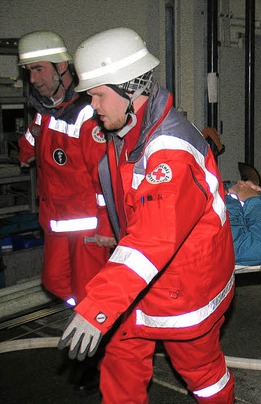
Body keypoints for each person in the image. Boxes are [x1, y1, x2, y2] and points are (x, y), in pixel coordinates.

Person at [56, 27, 235, 403]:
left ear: (130, 88)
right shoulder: (125, 132)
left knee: (203, 378)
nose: (93, 105)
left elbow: (153, 238)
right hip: (141, 283)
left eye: (99, 94)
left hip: (183, 290)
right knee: (120, 365)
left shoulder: (169, 151)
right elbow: (123, 203)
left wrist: (97, 308)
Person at [17, 31, 115, 393]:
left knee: (90, 297)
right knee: (60, 286)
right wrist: (26, 148)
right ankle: (99, 335)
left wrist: (107, 231)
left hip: (89, 230)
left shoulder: (89, 117)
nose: (33, 79)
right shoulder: (45, 114)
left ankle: (97, 359)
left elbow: (104, 182)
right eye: (29, 71)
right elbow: (28, 146)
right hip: (57, 225)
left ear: (62, 67)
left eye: (39, 69)